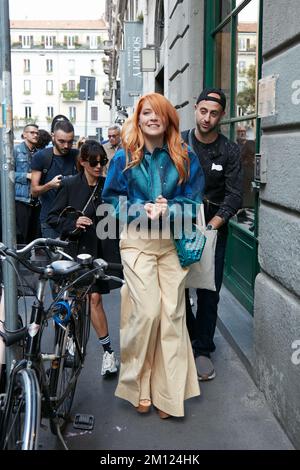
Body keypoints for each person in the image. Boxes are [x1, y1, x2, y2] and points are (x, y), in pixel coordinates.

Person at [102, 92, 204, 418]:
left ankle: (167, 394)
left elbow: (195, 201)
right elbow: (111, 201)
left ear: (168, 118)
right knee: (147, 312)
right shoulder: (124, 156)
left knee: (172, 316)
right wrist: (139, 209)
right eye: (146, 113)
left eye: (158, 113)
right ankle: (138, 386)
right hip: (137, 241)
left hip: (172, 241)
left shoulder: (184, 155)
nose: (152, 118)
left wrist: (170, 208)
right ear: (138, 118)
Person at [182, 87, 243, 381]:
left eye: (214, 113)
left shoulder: (230, 150)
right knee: (177, 287)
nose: (207, 118)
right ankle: (189, 335)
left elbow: (234, 196)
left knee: (208, 290)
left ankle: (203, 348)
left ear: (221, 116)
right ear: (196, 109)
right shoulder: (179, 142)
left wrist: (209, 228)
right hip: (179, 225)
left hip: (213, 229)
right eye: (203, 111)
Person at [47, 140, 119, 376]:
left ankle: (108, 353)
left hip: (99, 250)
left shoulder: (107, 186)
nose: (99, 167)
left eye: (102, 162)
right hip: (76, 249)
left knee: (95, 298)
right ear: (83, 162)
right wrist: (73, 222)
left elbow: (117, 220)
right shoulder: (69, 185)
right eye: (94, 162)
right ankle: (70, 338)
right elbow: (52, 218)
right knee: (75, 299)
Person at [31, 120, 78, 238]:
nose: (66, 146)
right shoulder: (41, 157)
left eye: (70, 142)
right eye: (61, 141)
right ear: (53, 136)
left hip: (74, 221)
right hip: (50, 221)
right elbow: (34, 192)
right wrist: (50, 185)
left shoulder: (77, 155)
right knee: (55, 256)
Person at [14, 123, 41, 244]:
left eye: (37, 133)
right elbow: (7, 174)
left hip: (36, 199)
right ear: (24, 134)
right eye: (32, 132)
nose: (35, 135)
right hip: (21, 199)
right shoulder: (15, 151)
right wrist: (27, 176)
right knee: (21, 236)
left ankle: (28, 261)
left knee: (33, 237)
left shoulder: (39, 153)